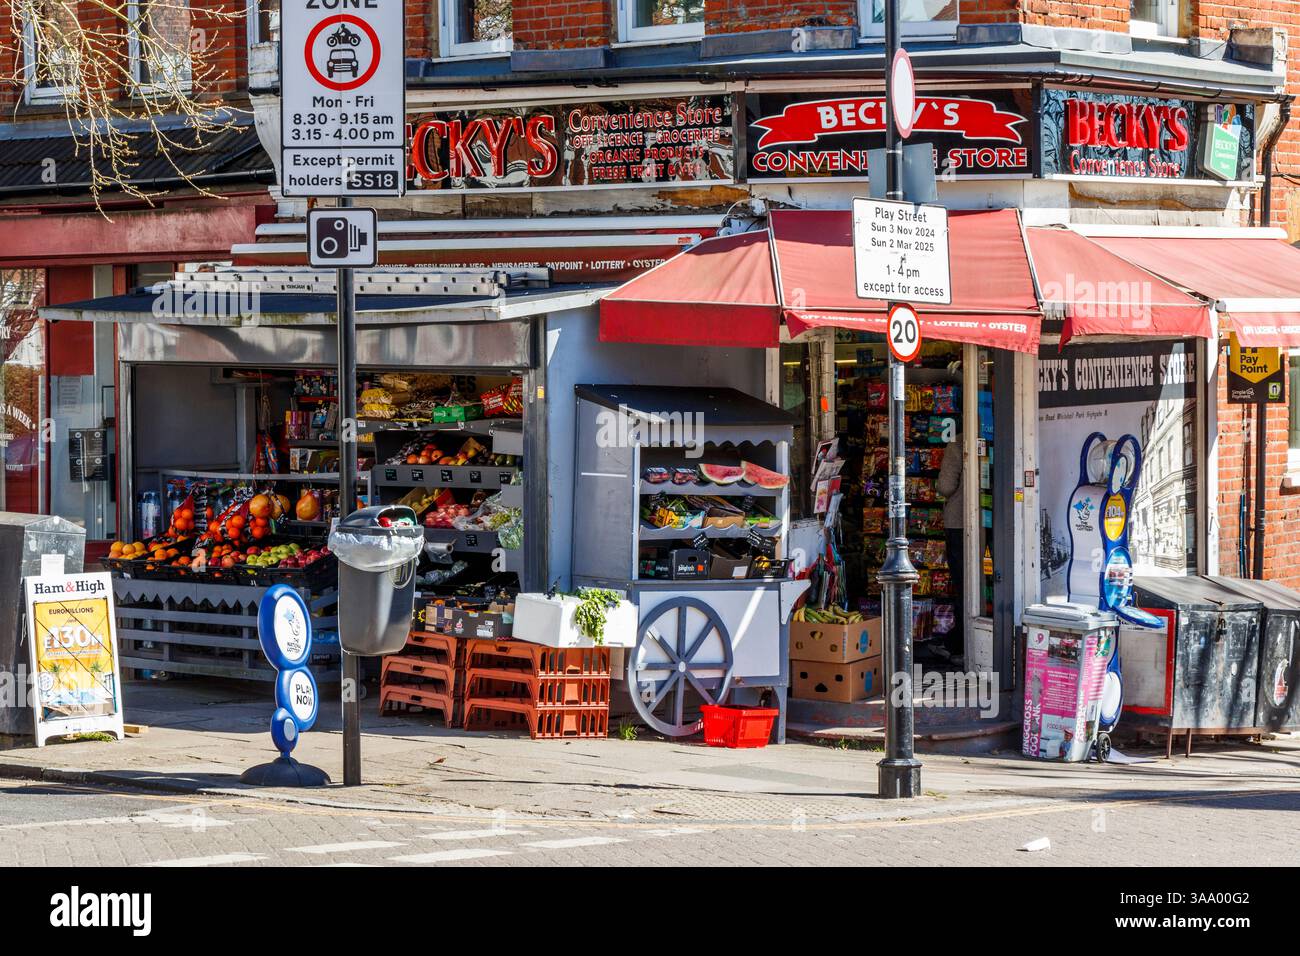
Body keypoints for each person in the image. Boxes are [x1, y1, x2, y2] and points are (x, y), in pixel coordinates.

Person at [934, 428, 964, 666]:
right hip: (987, 522)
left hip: (958, 522)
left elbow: (945, 486)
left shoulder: (957, 444)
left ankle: (959, 643)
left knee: (962, 583)